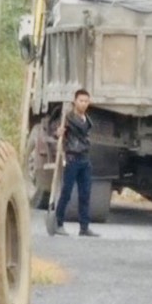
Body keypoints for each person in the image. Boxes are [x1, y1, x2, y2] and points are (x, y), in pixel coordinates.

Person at [53, 89, 98, 237]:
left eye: (86, 101)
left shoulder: (88, 120)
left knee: (85, 194)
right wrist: (58, 132)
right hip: (72, 159)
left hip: (85, 159)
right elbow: (57, 133)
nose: (83, 104)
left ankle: (84, 227)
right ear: (75, 101)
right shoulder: (68, 118)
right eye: (81, 101)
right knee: (66, 192)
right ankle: (58, 223)